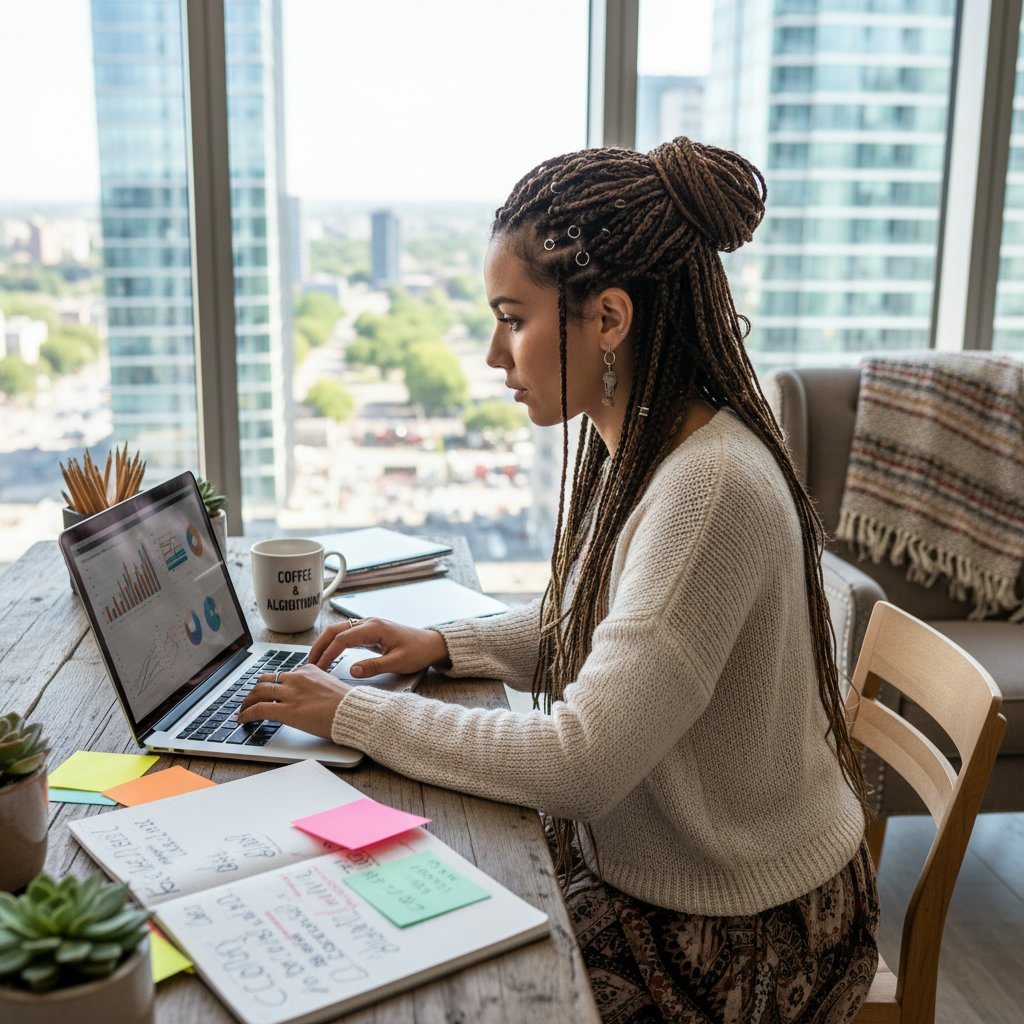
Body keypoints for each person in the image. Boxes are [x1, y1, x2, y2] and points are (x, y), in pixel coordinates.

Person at [238, 137, 879, 1024]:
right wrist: (448, 645)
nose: (497, 356)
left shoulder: (710, 491)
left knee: (450, 988)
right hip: (664, 876)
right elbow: (604, 624)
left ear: (608, 317)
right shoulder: (659, 445)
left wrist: (350, 712)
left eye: (514, 318)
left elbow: (581, 762)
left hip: (742, 927)